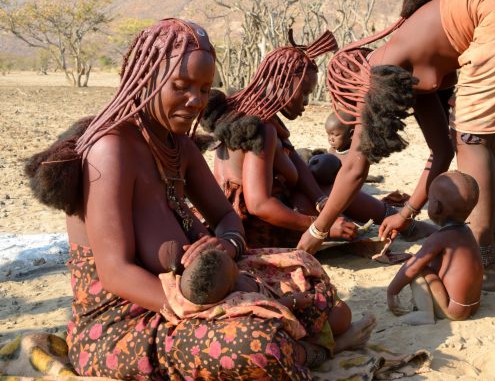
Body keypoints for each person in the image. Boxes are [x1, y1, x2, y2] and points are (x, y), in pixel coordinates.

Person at [24, 19, 371, 379]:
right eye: (181, 86)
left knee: (308, 276)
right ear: (146, 78)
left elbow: (227, 217)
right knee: (256, 344)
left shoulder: (178, 144)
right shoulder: (110, 151)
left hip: (203, 292)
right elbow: (116, 274)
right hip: (126, 321)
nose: (195, 101)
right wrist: (211, 307)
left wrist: (227, 246)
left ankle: (303, 343)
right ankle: (309, 350)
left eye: (205, 90)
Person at [299, 0, 495, 292]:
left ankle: (483, 261)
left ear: (349, 85)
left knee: (471, 136)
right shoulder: (412, 67)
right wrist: (407, 213)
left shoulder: (378, 68)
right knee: (483, 138)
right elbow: (441, 152)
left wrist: (316, 232)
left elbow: (355, 168)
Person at [202, 30, 416, 249]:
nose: (305, 102)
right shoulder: (261, 128)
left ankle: (398, 219)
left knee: (325, 191)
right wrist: (320, 226)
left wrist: (319, 201)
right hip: (254, 229)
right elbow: (259, 205)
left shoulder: (258, 115)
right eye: (304, 92)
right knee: (334, 192)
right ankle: (404, 223)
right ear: (281, 82)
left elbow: (294, 159)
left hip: (244, 219)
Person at [161, 243, 361, 348]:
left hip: (273, 293)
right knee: (341, 314)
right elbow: (272, 308)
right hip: (288, 317)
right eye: (233, 267)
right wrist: (293, 300)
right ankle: (325, 346)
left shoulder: (188, 292)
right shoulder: (242, 299)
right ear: (231, 286)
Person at [386, 171, 483, 324]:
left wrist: (392, 291)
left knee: (417, 268)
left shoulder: (439, 239)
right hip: (472, 306)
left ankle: (425, 313)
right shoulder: (466, 232)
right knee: (424, 264)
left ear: (436, 206)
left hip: (452, 310)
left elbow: (411, 268)